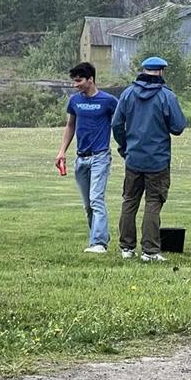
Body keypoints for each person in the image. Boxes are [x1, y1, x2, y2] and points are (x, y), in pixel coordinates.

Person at [111, 56, 186, 261]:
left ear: (143, 70)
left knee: (130, 201)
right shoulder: (166, 96)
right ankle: (150, 250)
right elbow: (178, 127)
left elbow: (117, 125)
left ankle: (126, 247)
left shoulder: (127, 94)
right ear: (161, 72)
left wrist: (125, 147)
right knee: (153, 202)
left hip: (133, 158)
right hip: (158, 160)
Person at [55, 62, 119, 254]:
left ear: (91, 79)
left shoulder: (108, 101)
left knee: (96, 199)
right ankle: (99, 236)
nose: (76, 85)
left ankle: (99, 243)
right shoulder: (75, 101)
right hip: (81, 158)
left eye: (79, 81)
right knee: (88, 204)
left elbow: (119, 124)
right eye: (74, 81)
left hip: (100, 156)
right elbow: (70, 126)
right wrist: (61, 151)